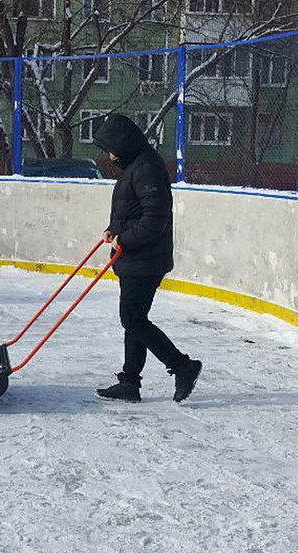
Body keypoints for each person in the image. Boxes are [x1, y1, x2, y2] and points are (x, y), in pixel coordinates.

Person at [92, 114, 202, 403]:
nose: (110, 155)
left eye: (112, 148)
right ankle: (130, 382)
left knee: (133, 319)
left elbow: (155, 219)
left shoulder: (145, 168)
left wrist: (124, 240)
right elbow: (134, 210)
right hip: (135, 258)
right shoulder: (136, 166)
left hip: (144, 260)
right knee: (134, 320)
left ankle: (183, 366)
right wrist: (113, 230)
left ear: (124, 144)